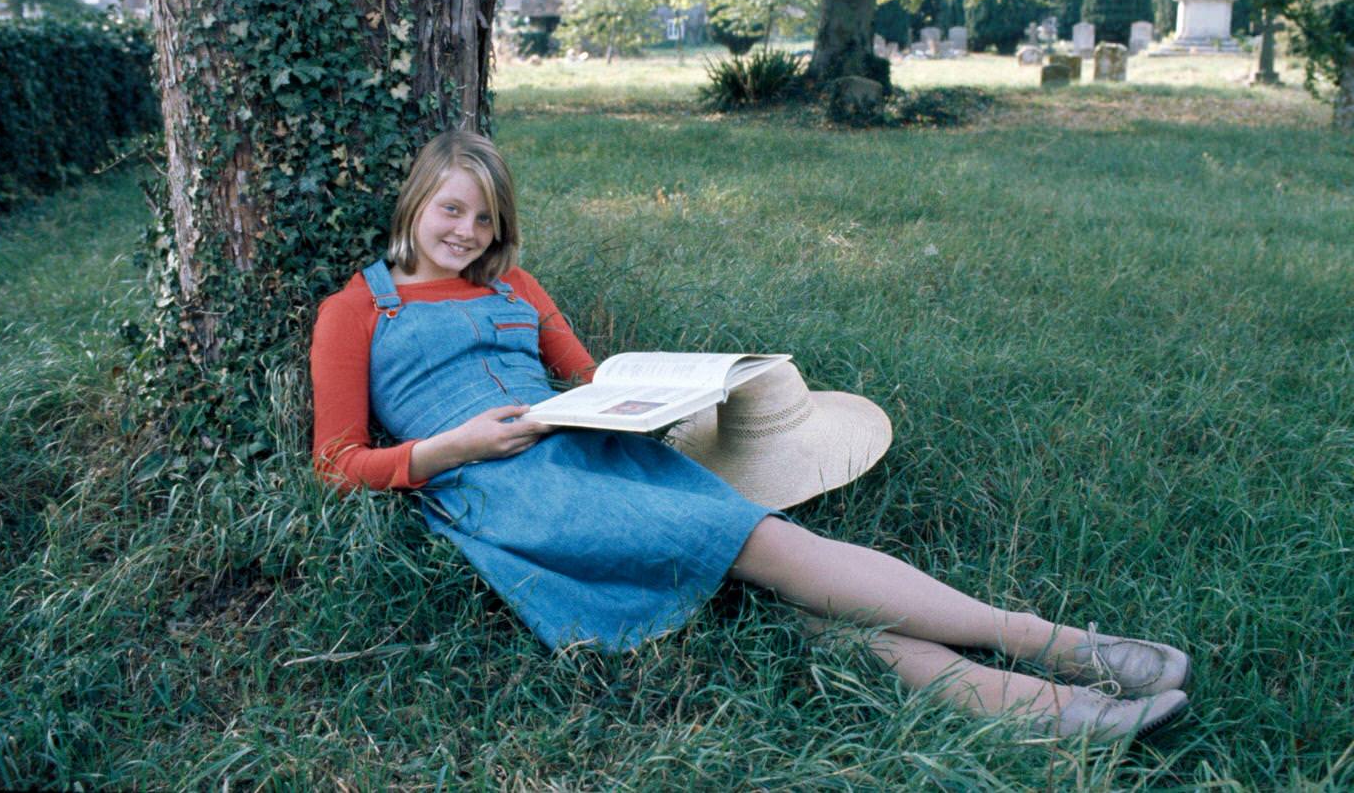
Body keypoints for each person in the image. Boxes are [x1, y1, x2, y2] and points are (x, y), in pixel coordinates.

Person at [310, 131, 1192, 743]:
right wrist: (452, 449)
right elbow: (337, 462)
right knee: (765, 545)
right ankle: (1051, 644)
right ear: (417, 200)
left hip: (592, 449)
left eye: (486, 220)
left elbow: (590, 380)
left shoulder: (517, 289)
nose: (467, 234)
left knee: (783, 598)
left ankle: (1041, 709)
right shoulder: (356, 311)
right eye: (452, 212)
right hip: (505, 488)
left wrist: (648, 399)